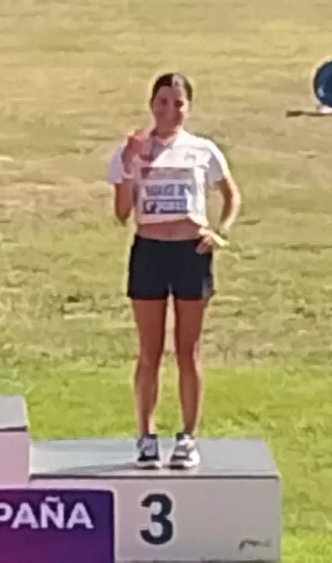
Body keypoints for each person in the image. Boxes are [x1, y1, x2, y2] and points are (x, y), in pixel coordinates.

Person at [107, 72, 242, 469]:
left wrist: (221, 231)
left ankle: (187, 437)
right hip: (149, 251)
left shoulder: (202, 150)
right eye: (163, 101)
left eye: (178, 103)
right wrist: (129, 165)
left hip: (191, 252)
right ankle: (146, 436)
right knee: (149, 351)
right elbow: (121, 213)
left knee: (188, 349)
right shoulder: (133, 150)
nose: (170, 110)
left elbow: (231, 195)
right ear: (152, 104)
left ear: (189, 107)